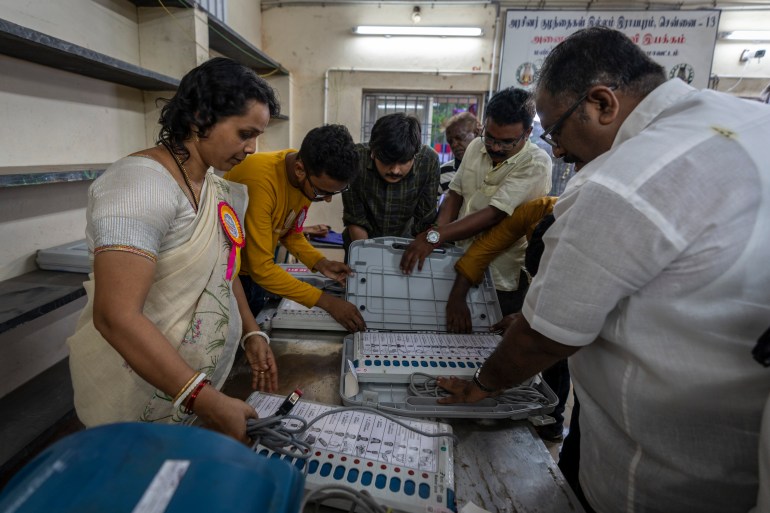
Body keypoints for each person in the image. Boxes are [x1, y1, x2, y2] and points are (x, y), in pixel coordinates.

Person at [437, 27, 770, 513]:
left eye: (556, 131)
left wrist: (482, 385)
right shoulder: (747, 118)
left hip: (661, 479)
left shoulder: (622, 181)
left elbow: (544, 338)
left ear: (601, 104)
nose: (561, 151)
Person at [67, 57, 280, 443]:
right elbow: (116, 316)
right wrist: (204, 398)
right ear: (201, 118)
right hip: (138, 387)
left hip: (188, 388)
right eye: (245, 133)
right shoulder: (139, 186)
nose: (252, 148)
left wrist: (252, 332)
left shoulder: (213, 187)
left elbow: (222, 269)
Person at [400, 87, 552, 317]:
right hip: (453, 261)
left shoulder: (536, 163)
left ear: (528, 132)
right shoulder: (475, 146)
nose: (496, 147)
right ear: (484, 125)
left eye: (507, 142)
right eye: (490, 137)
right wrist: (436, 234)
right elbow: (455, 194)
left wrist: (436, 237)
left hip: (498, 277)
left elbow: (494, 214)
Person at [444, 196, 569, 443]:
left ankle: (554, 419)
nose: (557, 153)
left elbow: (561, 328)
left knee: (559, 356)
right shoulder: (539, 210)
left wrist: (481, 385)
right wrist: (457, 297)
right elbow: (485, 246)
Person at [224, 124, 366, 333]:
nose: (326, 200)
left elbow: (290, 233)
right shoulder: (260, 182)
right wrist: (326, 302)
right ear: (300, 170)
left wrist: (321, 263)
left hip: (251, 276)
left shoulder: (300, 175)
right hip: (230, 279)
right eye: (322, 192)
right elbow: (262, 269)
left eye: (333, 194)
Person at [342, 113, 439, 252]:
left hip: (406, 244)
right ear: (373, 152)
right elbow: (355, 219)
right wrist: (367, 258)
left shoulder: (429, 161)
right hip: (359, 242)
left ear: (415, 155)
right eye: (387, 161)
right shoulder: (356, 159)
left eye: (404, 162)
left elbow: (424, 221)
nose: (395, 170)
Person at [439, 112, 482, 196]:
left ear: (476, 133)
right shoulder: (442, 174)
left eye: (460, 137)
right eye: (450, 141)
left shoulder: (492, 168)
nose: (454, 144)